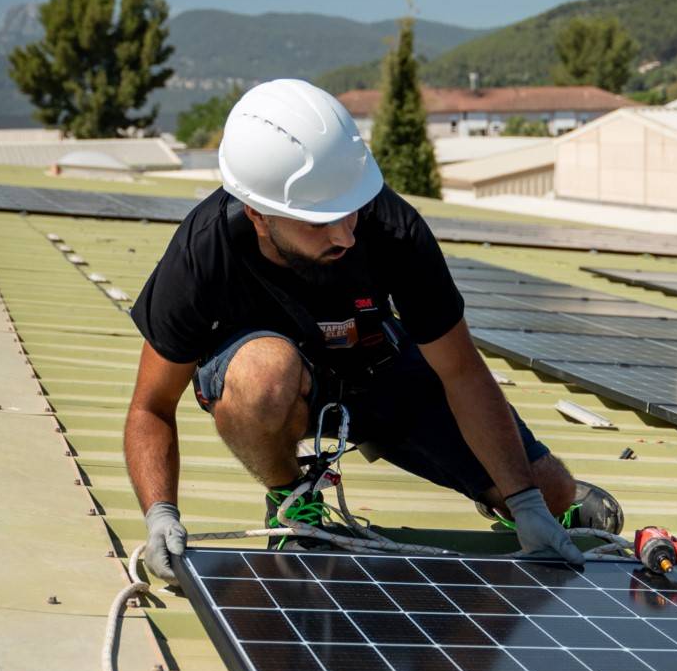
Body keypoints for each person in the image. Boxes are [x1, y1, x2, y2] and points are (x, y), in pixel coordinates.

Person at [124, 78, 622, 581]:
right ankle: (290, 496)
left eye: (350, 211)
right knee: (262, 379)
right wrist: (160, 512)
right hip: (283, 384)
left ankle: (541, 502)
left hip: (380, 370)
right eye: (319, 222)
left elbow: (462, 374)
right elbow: (151, 406)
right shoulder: (204, 251)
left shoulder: (391, 226)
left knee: (544, 489)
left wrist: (527, 503)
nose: (345, 234)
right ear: (258, 213)